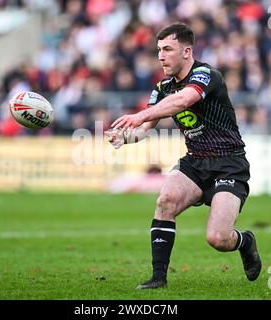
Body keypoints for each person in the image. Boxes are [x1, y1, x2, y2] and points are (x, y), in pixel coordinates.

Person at [105, 23, 262, 289]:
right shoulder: (162, 86)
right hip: (195, 161)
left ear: (187, 51)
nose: (161, 56)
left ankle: (245, 242)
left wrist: (140, 114)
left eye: (168, 49)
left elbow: (184, 100)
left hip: (228, 164)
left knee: (218, 238)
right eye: (159, 50)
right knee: (166, 200)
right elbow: (144, 130)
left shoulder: (206, 74)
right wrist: (125, 138)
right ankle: (158, 278)